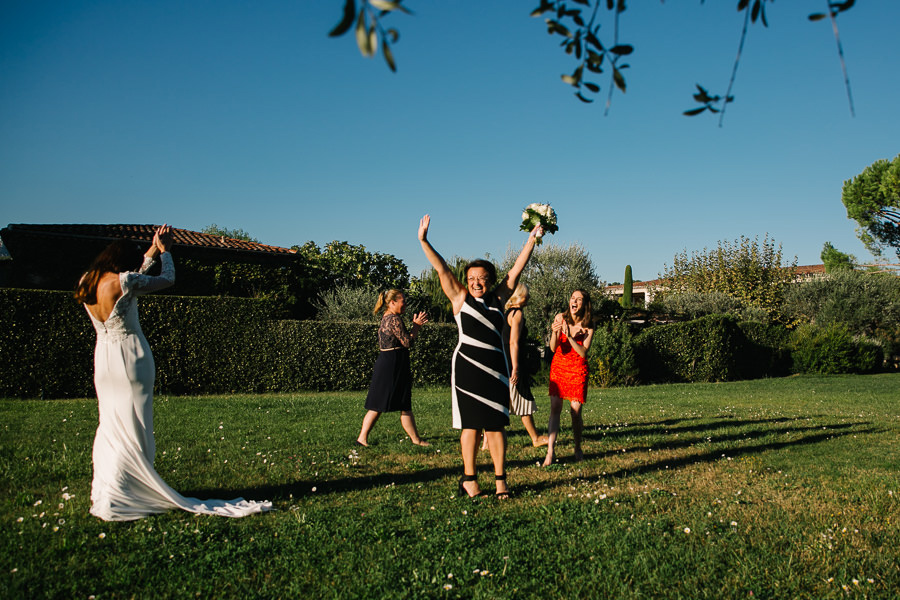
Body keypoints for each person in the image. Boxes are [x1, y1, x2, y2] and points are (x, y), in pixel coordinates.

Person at [74, 225, 272, 521]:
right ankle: (133, 489)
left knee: (110, 425)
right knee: (135, 424)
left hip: (103, 361)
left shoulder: (87, 281)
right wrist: (167, 253)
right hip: (131, 358)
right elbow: (166, 279)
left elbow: (136, 267)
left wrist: (153, 247)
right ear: (122, 263)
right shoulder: (124, 281)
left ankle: (112, 491)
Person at [418, 214, 542, 498]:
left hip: (497, 369)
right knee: (471, 425)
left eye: (482, 279)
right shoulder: (459, 299)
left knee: (497, 425)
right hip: (467, 370)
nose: (476, 283)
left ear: (491, 281)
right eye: (471, 278)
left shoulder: (499, 299)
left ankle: (501, 482)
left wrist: (531, 240)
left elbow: (516, 271)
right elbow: (441, 269)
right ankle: (470, 480)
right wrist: (424, 241)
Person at [357, 289, 429, 447]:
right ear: (392, 303)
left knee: (401, 404)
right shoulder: (394, 319)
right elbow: (407, 342)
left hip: (392, 361)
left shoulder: (387, 317)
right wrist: (416, 327)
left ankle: (416, 439)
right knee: (382, 403)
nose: (405, 304)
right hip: (393, 363)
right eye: (402, 301)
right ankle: (362, 438)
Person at [542, 289, 595, 466]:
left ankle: (578, 447)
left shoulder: (588, 326)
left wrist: (571, 336)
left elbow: (583, 353)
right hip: (559, 366)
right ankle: (550, 451)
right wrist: (556, 332)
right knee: (555, 408)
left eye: (579, 299)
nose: (574, 302)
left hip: (577, 368)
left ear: (584, 304)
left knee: (575, 412)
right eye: (573, 298)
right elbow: (552, 347)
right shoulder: (560, 317)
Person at [504, 283, 549, 448]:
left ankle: (486, 443)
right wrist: (515, 367)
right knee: (522, 397)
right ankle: (535, 438)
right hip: (513, 361)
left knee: (502, 401)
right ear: (520, 296)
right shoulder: (517, 314)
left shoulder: (506, 313)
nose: (529, 297)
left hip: (503, 361)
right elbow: (513, 342)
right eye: (527, 294)